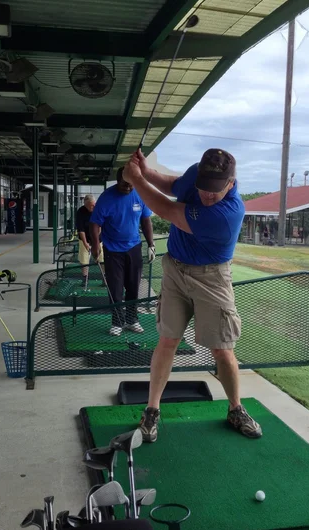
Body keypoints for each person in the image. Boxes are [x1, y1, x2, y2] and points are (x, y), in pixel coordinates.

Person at [122, 148, 262, 442]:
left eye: (215, 191)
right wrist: (146, 172)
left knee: (222, 347)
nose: (208, 196)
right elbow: (173, 185)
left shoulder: (228, 213)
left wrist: (135, 180)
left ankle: (235, 408)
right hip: (175, 271)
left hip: (212, 278)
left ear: (231, 182)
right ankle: (152, 410)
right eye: (203, 189)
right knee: (168, 339)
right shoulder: (196, 175)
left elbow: (166, 210)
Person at [90, 168, 155, 336]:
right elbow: (95, 223)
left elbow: (146, 219)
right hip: (112, 250)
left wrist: (151, 244)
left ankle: (132, 320)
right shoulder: (106, 198)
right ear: (118, 180)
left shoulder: (139, 194)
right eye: (124, 184)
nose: (128, 187)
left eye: (131, 184)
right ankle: (117, 322)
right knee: (116, 289)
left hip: (134, 248)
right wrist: (96, 246)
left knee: (133, 288)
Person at [75, 194, 104, 281]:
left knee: (101, 258)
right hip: (85, 239)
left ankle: (104, 278)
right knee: (84, 260)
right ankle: (85, 278)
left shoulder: (98, 209)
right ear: (86, 205)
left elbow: (100, 227)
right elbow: (81, 230)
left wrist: (96, 241)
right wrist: (86, 243)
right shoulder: (80, 212)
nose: (94, 206)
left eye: (94, 204)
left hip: (98, 238)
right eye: (91, 205)